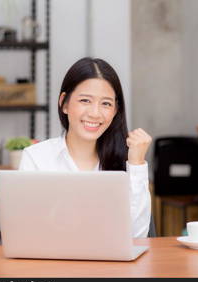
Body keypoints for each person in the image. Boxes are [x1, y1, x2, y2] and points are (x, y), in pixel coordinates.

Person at [18, 57, 152, 238]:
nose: (95, 113)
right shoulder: (37, 158)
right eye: (85, 101)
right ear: (64, 103)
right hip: (53, 263)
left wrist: (136, 164)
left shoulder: (126, 162)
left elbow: (136, 237)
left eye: (106, 104)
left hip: (111, 264)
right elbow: (27, 232)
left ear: (115, 111)